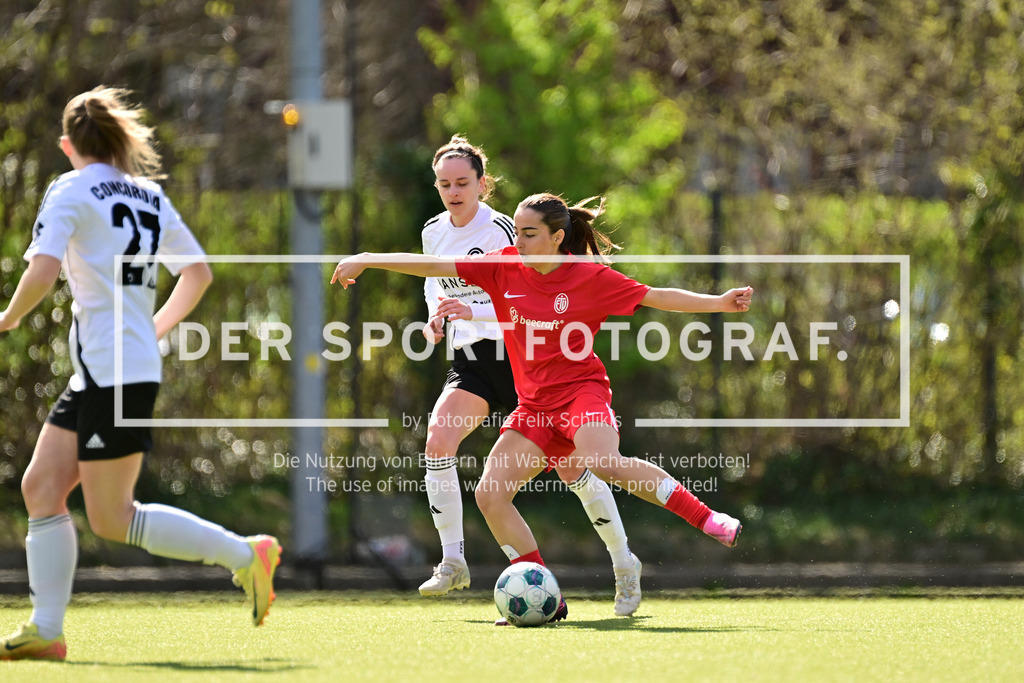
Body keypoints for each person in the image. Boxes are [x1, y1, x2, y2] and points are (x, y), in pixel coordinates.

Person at [332, 192, 750, 615]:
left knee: (602, 462)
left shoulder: (589, 277)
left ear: (557, 237)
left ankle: (704, 519)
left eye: (529, 233)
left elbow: (655, 296)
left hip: (581, 393)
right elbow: (432, 266)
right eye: (517, 231)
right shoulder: (504, 265)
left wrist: (718, 303)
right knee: (490, 496)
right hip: (534, 408)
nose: (519, 241)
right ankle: (547, 599)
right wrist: (367, 258)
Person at [0, 87, 281, 662]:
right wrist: (152, 329)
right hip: (106, 370)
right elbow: (197, 273)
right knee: (41, 488)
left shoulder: (71, 188)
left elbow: (43, 270)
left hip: (113, 372)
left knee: (112, 517)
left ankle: (246, 555)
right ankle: (46, 630)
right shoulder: (146, 193)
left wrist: (7, 318)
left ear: (67, 145)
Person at [415, 137, 641, 619]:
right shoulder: (432, 230)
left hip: (524, 360)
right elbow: (435, 284)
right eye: (444, 184)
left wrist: (472, 309)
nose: (453, 192)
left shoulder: (503, 230)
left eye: (462, 182)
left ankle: (624, 562)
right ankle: (453, 561)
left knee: (574, 470)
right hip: (474, 360)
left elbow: (523, 301)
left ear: (482, 184)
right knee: (438, 439)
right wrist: (436, 317)